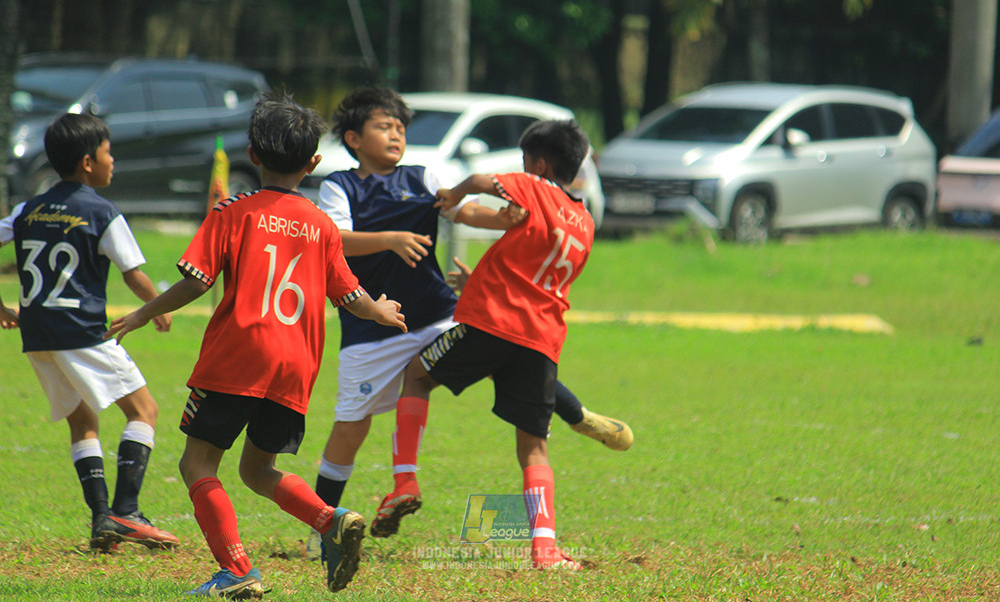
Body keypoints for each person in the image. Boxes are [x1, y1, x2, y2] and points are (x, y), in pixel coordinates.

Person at [106, 92, 407, 597]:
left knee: (197, 464)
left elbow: (198, 281)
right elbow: (351, 296)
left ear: (253, 155)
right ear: (313, 163)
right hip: (295, 366)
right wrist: (380, 311)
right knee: (258, 467)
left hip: (237, 358)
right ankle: (329, 518)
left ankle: (238, 570)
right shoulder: (320, 225)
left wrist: (142, 311)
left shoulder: (233, 211)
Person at [309, 88, 632, 553]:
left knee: (488, 351)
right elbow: (334, 239)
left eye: (401, 127)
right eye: (385, 126)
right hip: (371, 323)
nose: (396, 133)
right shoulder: (340, 185)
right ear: (354, 138)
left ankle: (407, 482)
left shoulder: (422, 177)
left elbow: (462, 209)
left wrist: (502, 220)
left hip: (435, 312)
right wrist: (390, 239)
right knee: (351, 427)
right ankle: (321, 529)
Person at [372, 118, 595, 570]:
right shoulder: (585, 222)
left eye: (524, 163)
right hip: (543, 338)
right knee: (533, 446)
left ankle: (405, 481)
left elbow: (479, 181)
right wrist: (481, 280)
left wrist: (453, 196)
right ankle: (545, 549)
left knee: (415, 376)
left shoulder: (534, 186)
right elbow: (540, 276)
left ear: (538, 163)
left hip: (492, 324)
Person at [0, 113, 179, 552]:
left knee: (83, 422)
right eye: (107, 151)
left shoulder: (28, 208)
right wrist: (157, 307)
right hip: (82, 332)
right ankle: (127, 510)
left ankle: (103, 520)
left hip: (39, 335)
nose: (112, 160)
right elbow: (133, 274)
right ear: (87, 161)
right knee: (145, 411)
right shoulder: (101, 211)